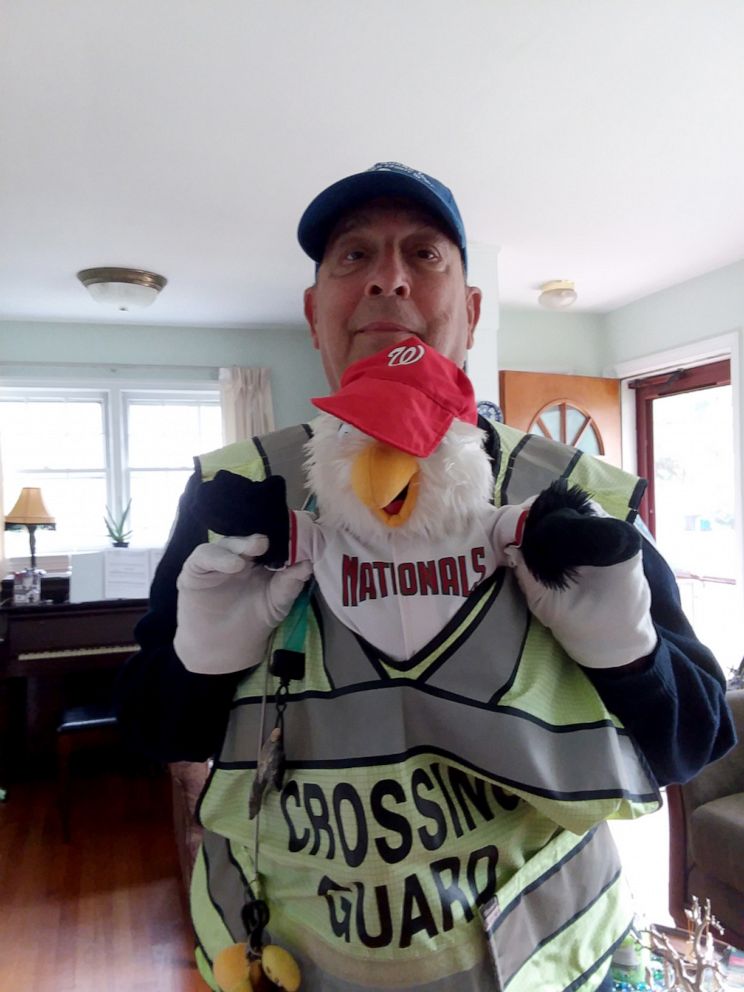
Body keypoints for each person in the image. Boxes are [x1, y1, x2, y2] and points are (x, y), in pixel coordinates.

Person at [116, 162, 735, 992]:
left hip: (553, 968)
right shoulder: (237, 493)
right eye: (353, 256)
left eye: (424, 254)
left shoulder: (568, 493)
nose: (387, 277)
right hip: (292, 967)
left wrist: (630, 659)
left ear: (473, 313)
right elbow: (157, 729)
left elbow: (694, 739)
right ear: (313, 314)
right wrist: (199, 669)